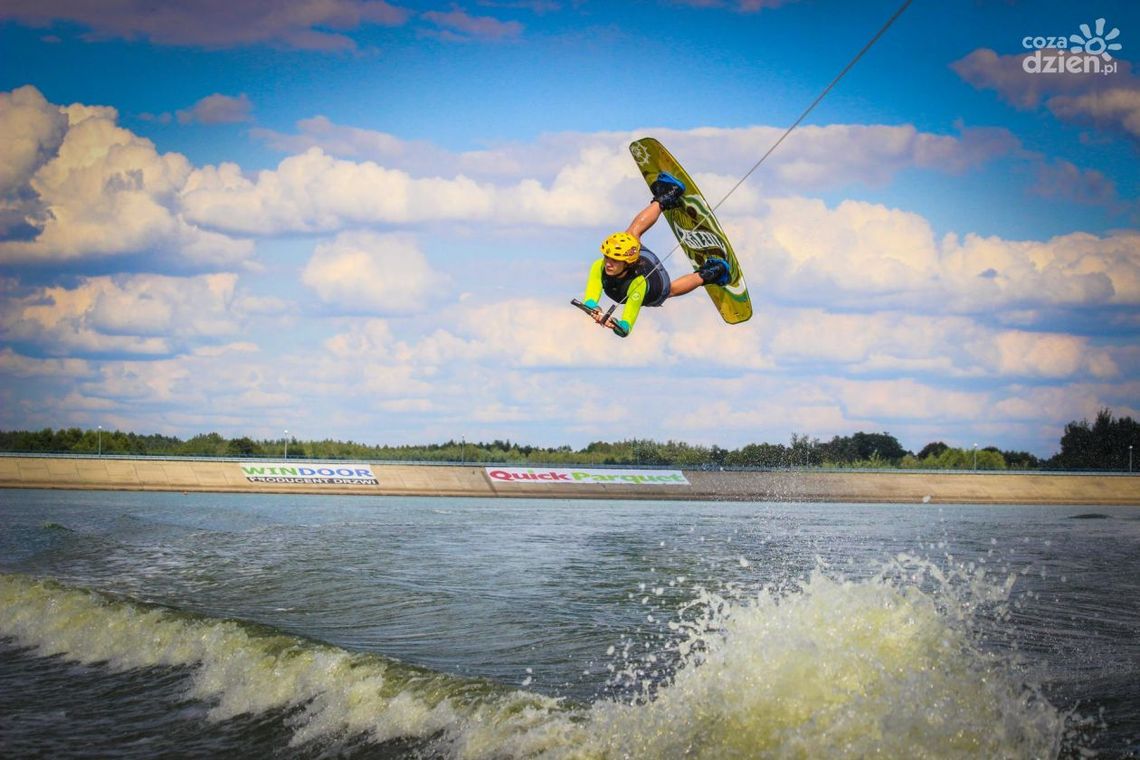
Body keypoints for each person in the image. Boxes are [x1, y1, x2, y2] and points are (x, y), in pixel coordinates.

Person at [580, 172, 730, 337]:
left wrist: (618, 324)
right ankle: (713, 272)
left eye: (615, 260)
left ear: (628, 261)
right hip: (654, 290)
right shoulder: (600, 266)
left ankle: (668, 194)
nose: (608, 262)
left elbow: (626, 320)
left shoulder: (637, 282)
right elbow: (623, 323)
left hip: (643, 272)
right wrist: (605, 317)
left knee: (631, 234)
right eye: (607, 257)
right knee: (669, 290)